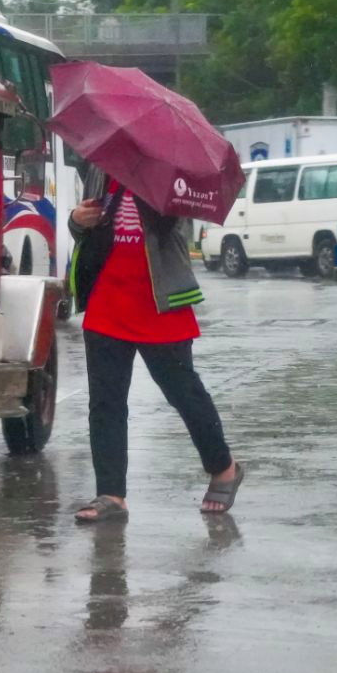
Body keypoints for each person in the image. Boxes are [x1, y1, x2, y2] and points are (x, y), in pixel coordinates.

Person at [68, 165, 245, 523]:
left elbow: (169, 225)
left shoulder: (173, 169)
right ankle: (111, 494)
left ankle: (224, 468)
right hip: (107, 299)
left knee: (183, 392)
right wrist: (77, 220)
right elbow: (86, 228)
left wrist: (144, 181)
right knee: (105, 402)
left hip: (160, 299)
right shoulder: (103, 167)